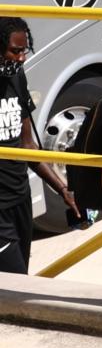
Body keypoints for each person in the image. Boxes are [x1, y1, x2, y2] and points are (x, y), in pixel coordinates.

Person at [0, 16, 81, 273]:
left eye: (24, 50)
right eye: (15, 51)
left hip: (20, 198)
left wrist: (62, 188)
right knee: (14, 280)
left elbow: (27, 144)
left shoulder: (16, 77)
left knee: (21, 276)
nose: (22, 58)